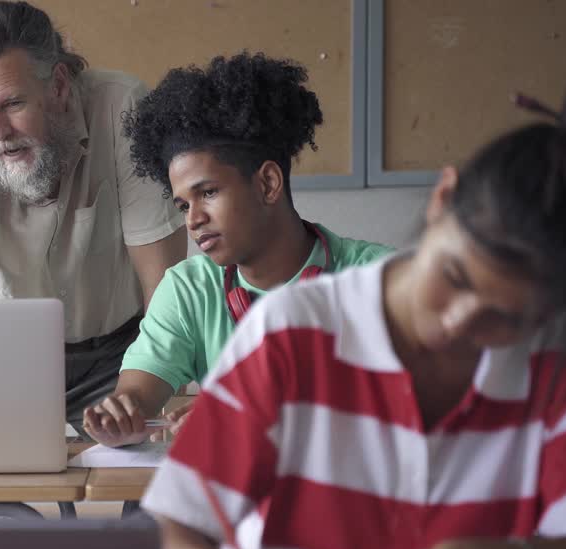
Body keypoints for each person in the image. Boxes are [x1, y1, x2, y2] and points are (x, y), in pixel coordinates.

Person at [142, 75, 566, 549]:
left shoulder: (551, 376)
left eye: (508, 318)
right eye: (454, 277)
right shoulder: (292, 335)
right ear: (442, 198)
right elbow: (168, 529)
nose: (460, 322)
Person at [84, 53, 392, 447]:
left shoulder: (377, 277)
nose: (193, 219)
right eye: (182, 205)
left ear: (267, 183)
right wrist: (121, 415)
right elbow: (138, 394)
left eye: (208, 192)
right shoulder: (187, 289)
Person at [0, 1, 186, 427]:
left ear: (59, 85)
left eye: (12, 104)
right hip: (10, 358)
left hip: (127, 348)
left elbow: (164, 288)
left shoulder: (124, 111)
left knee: (159, 480)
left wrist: (136, 395)